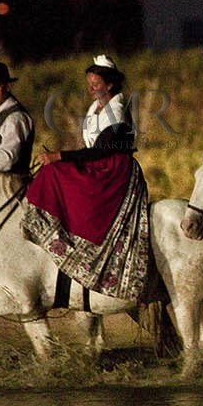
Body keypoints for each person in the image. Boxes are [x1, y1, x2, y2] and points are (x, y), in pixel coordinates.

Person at [21, 55, 152, 300]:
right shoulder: (96, 109)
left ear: (110, 85)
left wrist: (61, 156)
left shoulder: (117, 110)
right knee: (52, 170)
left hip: (114, 170)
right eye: (89, 83)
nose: (91, 88)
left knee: (54, 172)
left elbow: (102, 150)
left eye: (96, 83)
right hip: (100, 165)